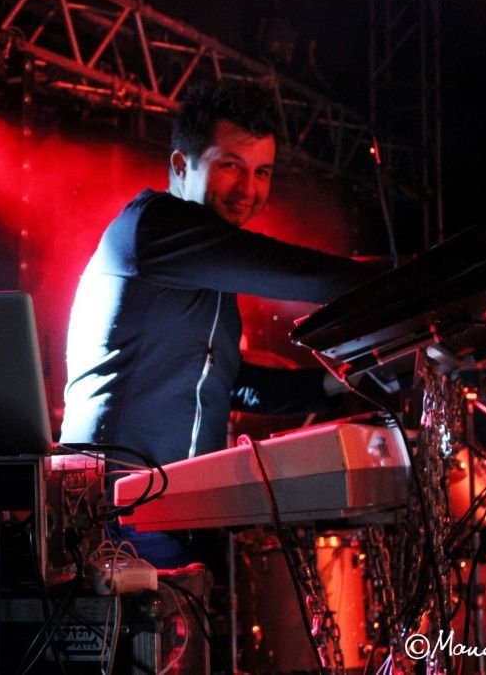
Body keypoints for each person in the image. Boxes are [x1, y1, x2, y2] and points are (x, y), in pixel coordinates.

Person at [59, 81, 375, 567]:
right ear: (181, 164)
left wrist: (336, 383)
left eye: (262, 172)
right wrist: (410, 287)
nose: (249, 190)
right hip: (114, 510)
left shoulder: (208, 270)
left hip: (176, 511)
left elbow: (230, 383)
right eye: (231, 166)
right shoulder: (154, 226)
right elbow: (298, 272)